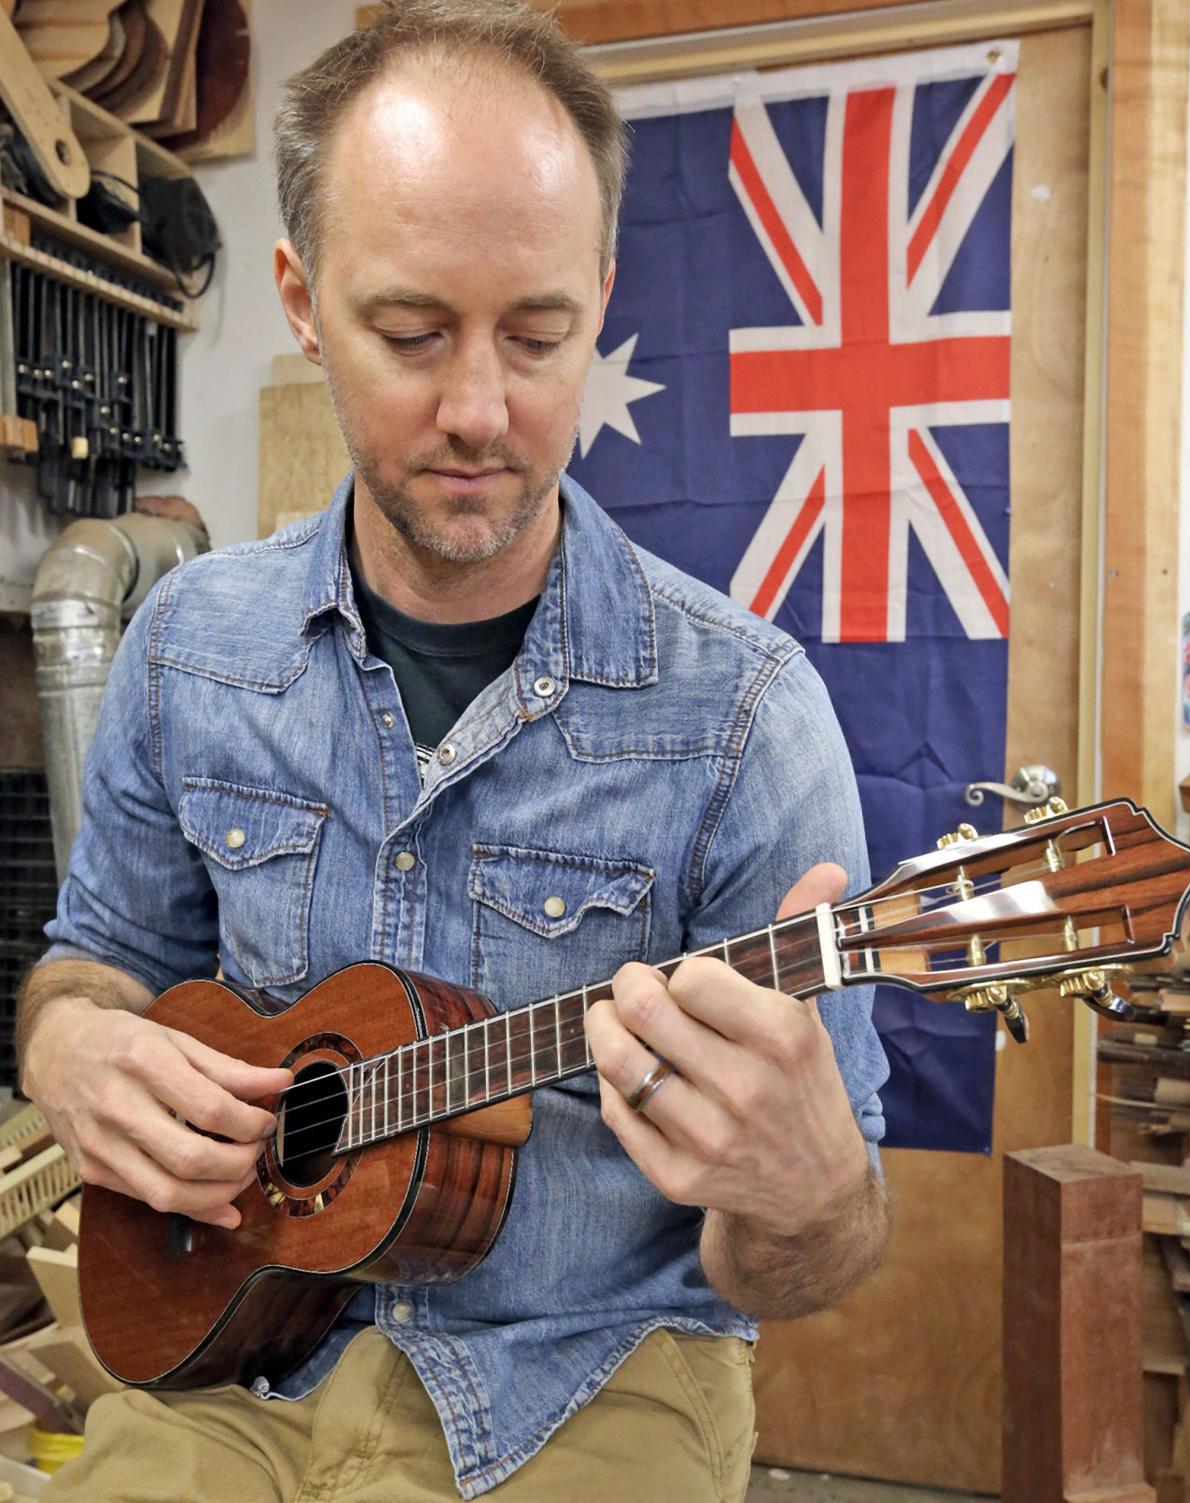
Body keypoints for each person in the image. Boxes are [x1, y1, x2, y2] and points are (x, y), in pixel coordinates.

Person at [16, 3, 891, 1499]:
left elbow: (815, 1257)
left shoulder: (748, 716)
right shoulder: (187, 647)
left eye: (541, 336)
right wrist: (67, 1041)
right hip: (232, 1346)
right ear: (299, 296)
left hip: (586, 1374)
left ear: (604, 296)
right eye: (412, 333)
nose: (481, 409)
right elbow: (98, 954)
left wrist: (803, 1189)